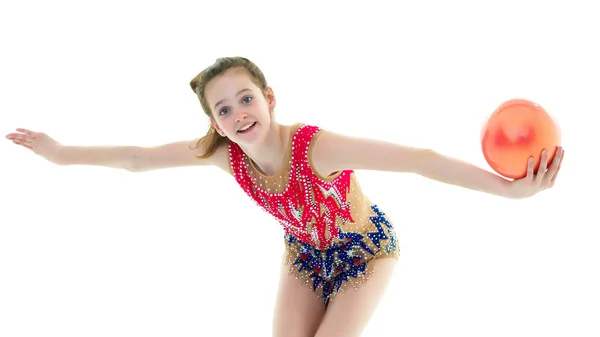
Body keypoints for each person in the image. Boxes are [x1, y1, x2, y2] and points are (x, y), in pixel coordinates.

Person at [5, 56, 564, 337]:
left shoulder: (316, 147)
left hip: (366, 253)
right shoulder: (225, 156)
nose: (238, 114)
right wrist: (60, 153)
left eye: (245, 99)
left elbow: (419, 161)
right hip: (305, 257)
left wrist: (507, 193)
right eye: (223, 110)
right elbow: (139, 158)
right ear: (215, 124)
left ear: (268, 97)